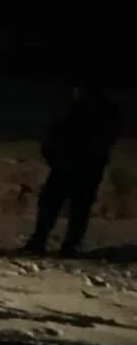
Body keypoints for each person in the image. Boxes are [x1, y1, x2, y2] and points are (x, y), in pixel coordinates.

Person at [24, 86, 121, 255]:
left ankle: (68, 244)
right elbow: (52, 136)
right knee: (51, 204)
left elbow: (104, 141)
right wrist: (54, 156)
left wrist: (89, 160)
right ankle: (41, 240)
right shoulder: (70, 111)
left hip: (84, 169)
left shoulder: (101, 113)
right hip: (64, 166)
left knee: (78, 209)